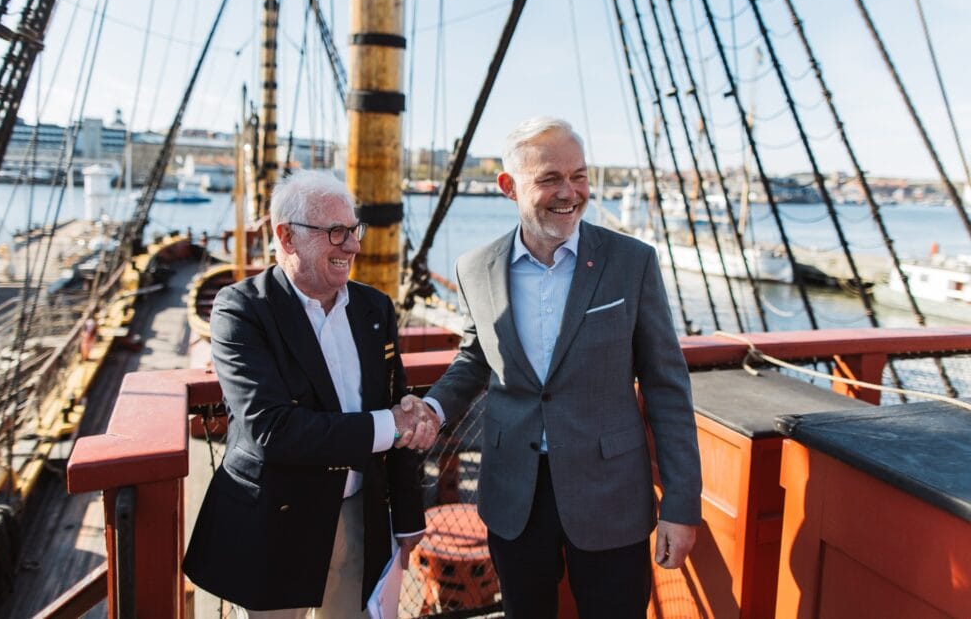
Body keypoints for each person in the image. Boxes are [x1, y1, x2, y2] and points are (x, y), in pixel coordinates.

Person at [415, 117, 702, 618]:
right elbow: (475, 356)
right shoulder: (476, 268)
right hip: (514, 493)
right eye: (550, 179)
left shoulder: (631, 262)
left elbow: (666, 386)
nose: (569, 193)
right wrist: (433, 408)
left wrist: (681, 504)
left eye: (579, 176)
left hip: (611, 494)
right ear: (509, 186)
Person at [184, 170, 435, 617]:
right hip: (275, 525)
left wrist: (408, 516)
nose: (353, 246)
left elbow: (394, 403)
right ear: (287, 236)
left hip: (359, 516)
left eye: (354, 230)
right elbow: (272, 429)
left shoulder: (374, 307)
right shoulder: (242, 309)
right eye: (336, 232)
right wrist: (390, 426)